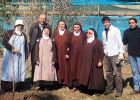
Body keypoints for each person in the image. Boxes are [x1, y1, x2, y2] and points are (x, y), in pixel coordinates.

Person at [1, 19, 28, 92]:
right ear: (15, 26)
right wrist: (12, 49)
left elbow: (25, 46)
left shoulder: (24, 35)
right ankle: (5, 88)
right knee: (8, 71)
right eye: (19, 25)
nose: (20, 27)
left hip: (20, 57)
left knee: (19, 71)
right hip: (10, 57)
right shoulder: (9, 33)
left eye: (22, 26)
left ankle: (18, 88)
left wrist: (26, 56)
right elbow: (4, 42)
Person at [102, 16, 124, 97]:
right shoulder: (103, 32)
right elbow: (104, 44)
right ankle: (110, 88)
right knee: (108, 73)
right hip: (107, 54)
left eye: (107, 22)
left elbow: (119, 42)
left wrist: (121, 53)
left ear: (110, 22)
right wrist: (104, 53)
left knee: (117, 73)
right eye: (104, 22)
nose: (105, 23)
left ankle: (119, 90)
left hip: (115, 54)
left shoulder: (115, 30)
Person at [78, 28, 105, 93]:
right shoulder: (85, 41)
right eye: (87, 32)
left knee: (95, 76)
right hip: (85, 62)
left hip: (94, 62)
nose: (88, 34)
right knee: (86, 74)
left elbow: (101, 52)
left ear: (93, 34)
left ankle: (96, 89)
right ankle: (87, 88)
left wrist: (100, 61)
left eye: (90, 33)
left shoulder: (97, 42)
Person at [29, 14, 51, 85]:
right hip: (34, 47)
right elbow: (30, 35)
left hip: (44, 49)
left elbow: (49, 36)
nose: (42, 20)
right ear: (39, 18)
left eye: (44, 19)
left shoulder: (48, 26)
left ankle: (43, 81)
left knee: (43, 64)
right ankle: (34, 81)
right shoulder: (33, 26)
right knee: (34, 64)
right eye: (41, 18)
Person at [33, 26, 57, 90]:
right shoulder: (39, 40)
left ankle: (48, 86)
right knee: (40, 72)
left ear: (49, 32)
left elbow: (54, 50)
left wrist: (54, 59)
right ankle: (39, 85)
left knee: (49, 72)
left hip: (49, 59)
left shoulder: (52, 40)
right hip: (41, 59)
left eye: (47, 31)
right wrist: (36, 59)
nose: (46, 32)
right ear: (42, 32)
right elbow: (36, 50)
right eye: (45, 31)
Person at [123, 18, 140, 95]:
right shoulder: (126, 32)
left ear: (136, 23)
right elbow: (124, 43)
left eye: (132, 22)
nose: (131, 24)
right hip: (131, 55)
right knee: (134, 72)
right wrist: (123, 52)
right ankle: (136, 88)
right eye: (129, 23)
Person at [52, 20, 71, 86]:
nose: (62, 25)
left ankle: (65, 82)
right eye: (60, 24)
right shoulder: (55, 32)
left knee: (66, 67)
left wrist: (68, 52)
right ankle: (58, 82)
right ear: (58, 25)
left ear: (65, 25)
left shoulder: (68, 32)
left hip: (65, 53)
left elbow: (70, 44)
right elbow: (53, 43)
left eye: (63, 24)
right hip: (57, 53)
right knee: (58, 66)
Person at [69, 23, 86, 91]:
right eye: (75, 27)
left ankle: (80, 85)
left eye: (77, 27)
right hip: (73, 56)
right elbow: (68, 45)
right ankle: (73, 84)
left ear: (80, 28)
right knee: (73, 70)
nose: (76, 28)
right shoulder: (71, 35)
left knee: (80, 70)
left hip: (81, 56)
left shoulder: (83, 35)